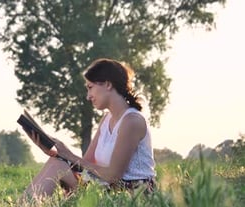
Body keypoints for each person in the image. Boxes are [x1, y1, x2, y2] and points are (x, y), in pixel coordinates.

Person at [23, 58, 156, 199]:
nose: (88, 96)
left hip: (133, 193)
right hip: (108, 188)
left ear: (108, 84)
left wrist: (68, 154)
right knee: (56, 164)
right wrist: (57, 154)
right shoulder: (106, 119)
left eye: (90, 87)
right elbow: (85, 165)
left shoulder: (132, 121)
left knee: (60, 167)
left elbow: (113, 176)